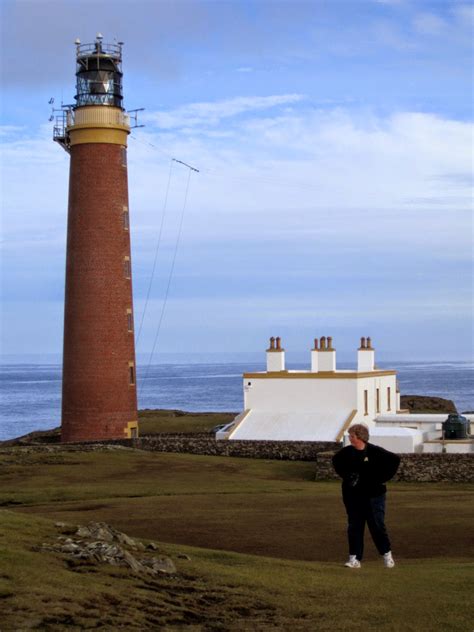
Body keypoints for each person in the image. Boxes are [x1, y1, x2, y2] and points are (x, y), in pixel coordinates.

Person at [332, 423, 400, 569]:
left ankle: (387, 556)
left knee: (377, 526)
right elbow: (336, 462)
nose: (349, 438)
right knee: (354, 526)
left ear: (360, 437)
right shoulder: (346, 453)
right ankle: (354, 559)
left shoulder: (375, 452)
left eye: (352, 436)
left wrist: (380, 478)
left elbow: (395, 460)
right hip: (353, 497)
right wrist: (347, 476)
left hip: (374, 496)